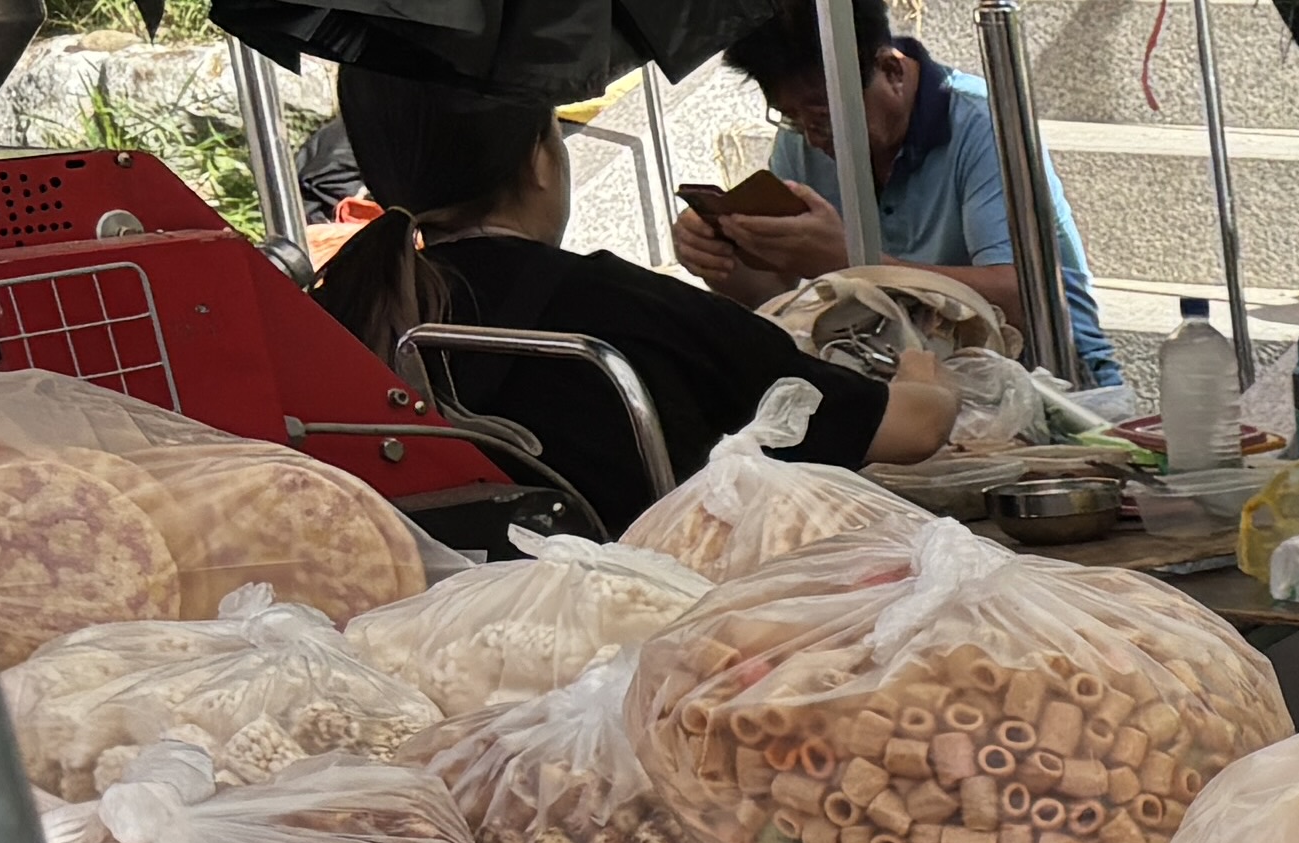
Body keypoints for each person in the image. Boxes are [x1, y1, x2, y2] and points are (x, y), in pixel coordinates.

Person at [322, 68, 957, 536]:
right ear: (540, 160)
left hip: (445, 635)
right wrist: (922, 370)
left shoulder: (345, 321)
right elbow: (913, 428)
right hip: (676, 638)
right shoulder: (617, 304)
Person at [686, 6, 1117, 386]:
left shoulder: (982, 124)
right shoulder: (802, 136)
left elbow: (1025, 303)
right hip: (910, 371)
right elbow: (772, 290)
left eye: (822, 115)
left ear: (891, 70)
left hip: (1041, 377)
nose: (814, 137)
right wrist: (719, 259)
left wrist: (853, 263)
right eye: (792, 118)